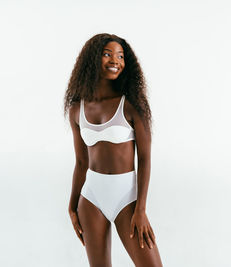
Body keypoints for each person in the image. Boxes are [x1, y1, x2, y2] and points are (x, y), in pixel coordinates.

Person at [63, 33, 163, 267]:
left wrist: (141, 210)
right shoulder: (77, 109)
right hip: (90, 199)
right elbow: (81, 163)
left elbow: (145, 159)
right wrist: (72, 205)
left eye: (120, 56)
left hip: (126, 198)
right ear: (92, 60)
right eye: (107, 54)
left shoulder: (131, 105)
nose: (115, 60)